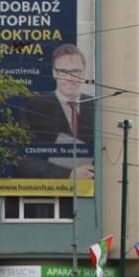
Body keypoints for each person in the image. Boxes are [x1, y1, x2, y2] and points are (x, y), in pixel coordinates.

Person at [16, 43, 97, 181]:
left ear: (83, 72)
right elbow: (22, 159)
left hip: (92, 189)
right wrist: (69, 174)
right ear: (54, 73)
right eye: (63, 72)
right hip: (49, 192)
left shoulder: (96, 105)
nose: (70, 78)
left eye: (76, 71)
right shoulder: (35, 105)